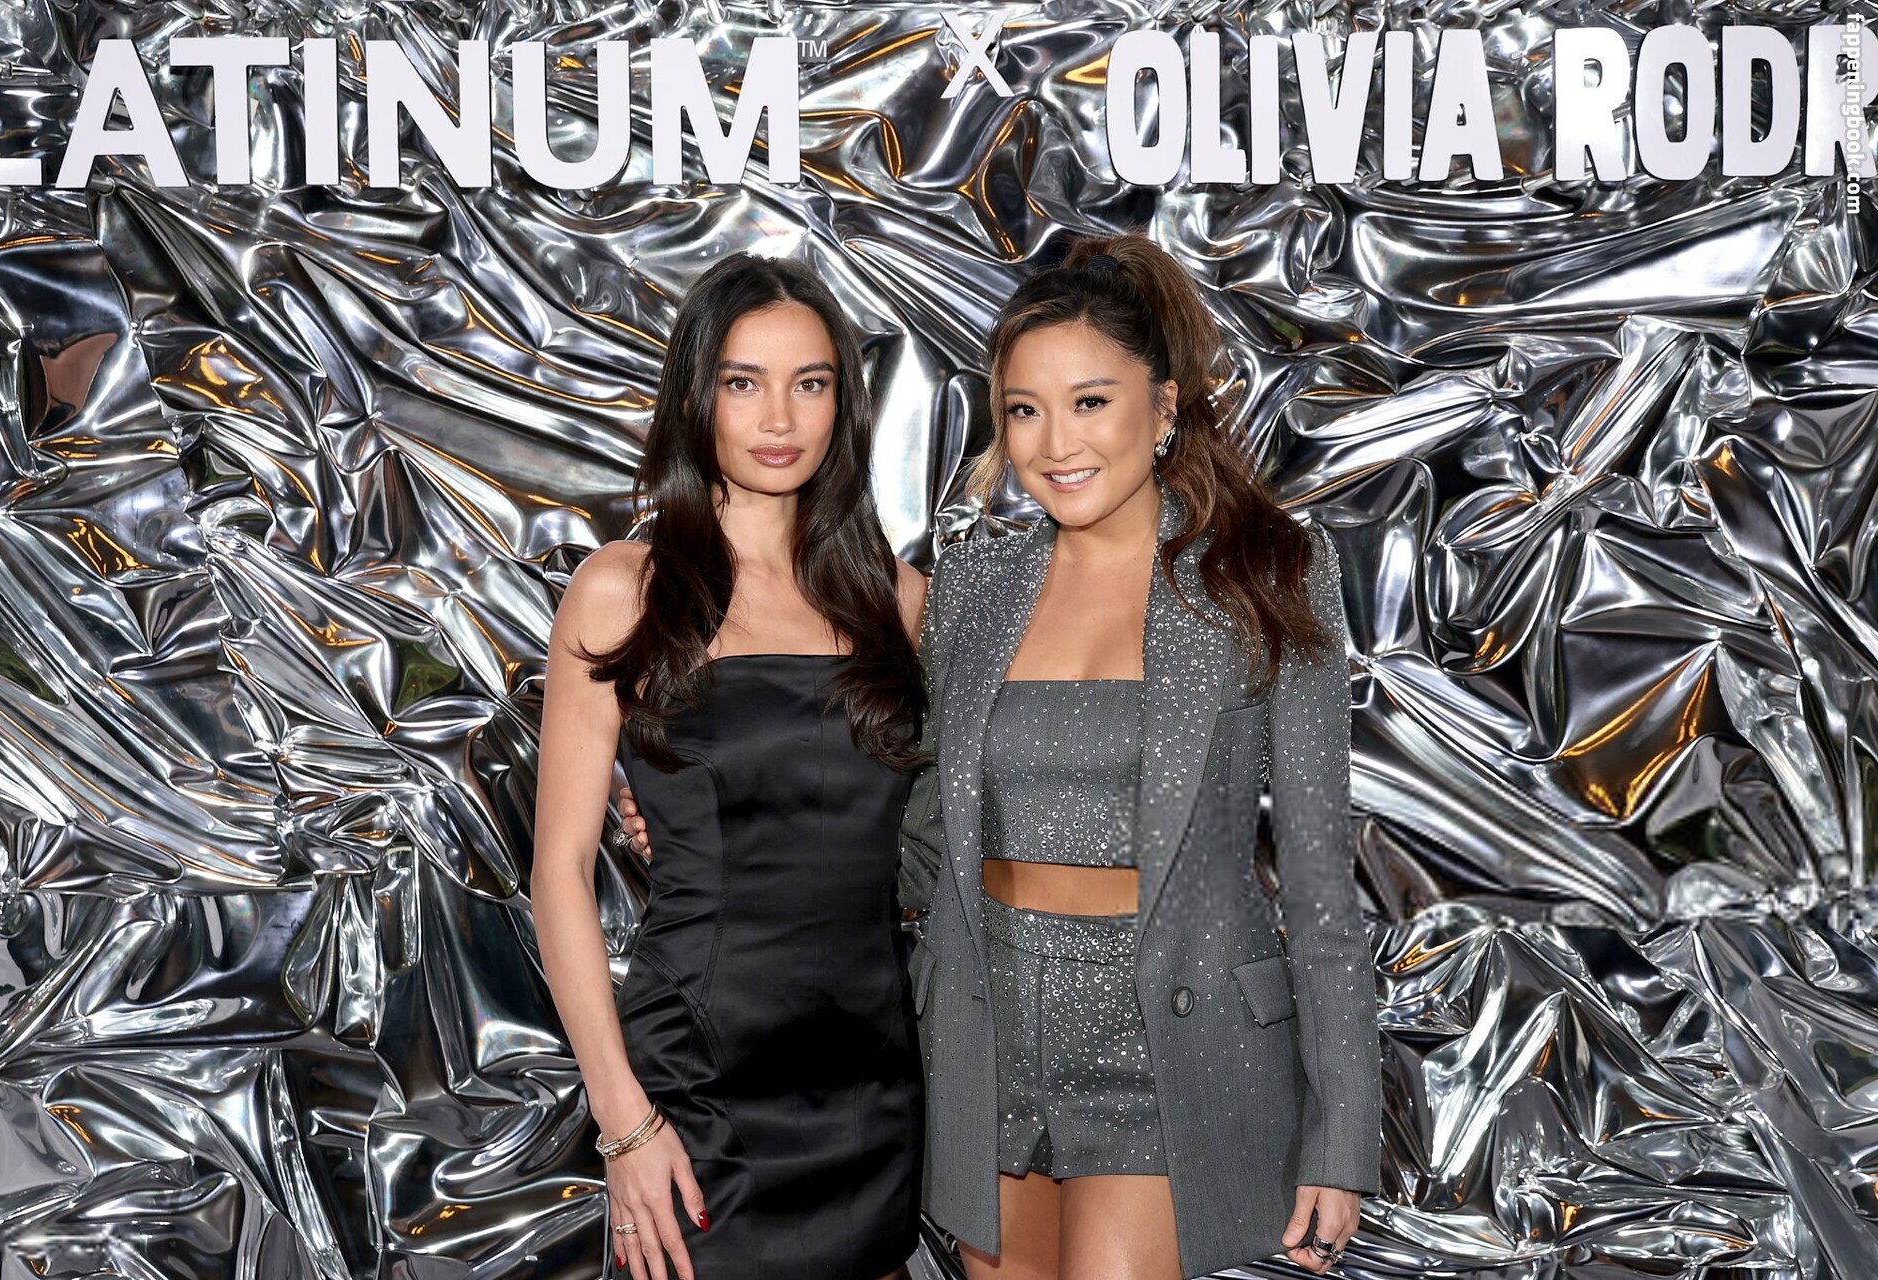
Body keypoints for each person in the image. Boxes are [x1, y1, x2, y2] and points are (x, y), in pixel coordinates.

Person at [900, 233, 1382, 1280]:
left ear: (1163, 409)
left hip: (1173, 1034)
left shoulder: (1265, 574)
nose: (1055, 443)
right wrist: (708, 818)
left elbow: (1318, 882)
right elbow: (917, 820)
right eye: (1024, 410)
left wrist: (1342, 1135)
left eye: (1090, 402)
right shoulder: (973, 584)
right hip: (990, 1024)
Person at [531, 252, 928, 1280]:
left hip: (873, 1083)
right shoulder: (624, 588)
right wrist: (623, 1120)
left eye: (810, 382)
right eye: (743, 382)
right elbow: (558, 874)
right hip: (695, 1081)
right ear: (694, 396)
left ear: (844, 403)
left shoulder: (899, 598)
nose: (779, 417)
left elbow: (935, 827)